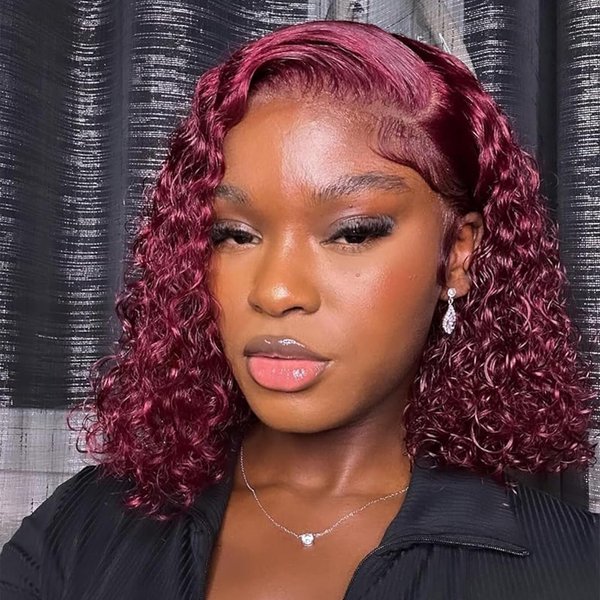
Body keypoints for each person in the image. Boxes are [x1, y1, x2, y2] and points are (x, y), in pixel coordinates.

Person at [1, 18, 598, 600]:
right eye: (234, 234)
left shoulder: (574, 567)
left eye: (352, 233)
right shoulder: (81, 531)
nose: (276, 291)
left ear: (460, 254)